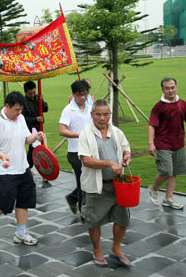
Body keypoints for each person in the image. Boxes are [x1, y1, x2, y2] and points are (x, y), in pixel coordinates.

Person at [0, 91, 44, 245]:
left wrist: (35, 137)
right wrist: (2, 156)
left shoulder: (21, 118)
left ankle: (21, 233)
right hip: (6, 170)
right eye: (16, 110)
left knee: (25, 200)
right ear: (7, 106)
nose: (19, 113)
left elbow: (26, 139)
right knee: (6, 201)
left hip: (23, 167)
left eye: (21, 110)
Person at [78, 100, 132, 268]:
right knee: (94, 220)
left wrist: (126, 156)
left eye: (106, 114)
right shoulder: (85, 134)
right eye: (98, 114)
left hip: (118, 185)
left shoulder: (116, 131)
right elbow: (86, 160)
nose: (102, 118)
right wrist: (109, 163)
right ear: (92, 114)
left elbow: (126, 147)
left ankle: (116, 249)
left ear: (110, 115)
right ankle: (97, 250)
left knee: (123, 218)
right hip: (96, 185)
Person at [148, 78, 186, 210]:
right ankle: (153, 189)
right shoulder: (158, 107)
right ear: (163, 90)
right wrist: (151, 143)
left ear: (176, 87)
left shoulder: (183, 104)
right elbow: (152, 125)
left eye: (172, 87)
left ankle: (168, 199)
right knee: (166, 170)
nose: (170, 90)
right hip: (163, 143)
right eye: (167, 88)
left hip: (178, 143)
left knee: (174, 172)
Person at [59, 80, 92, 215]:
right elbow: (62, 130)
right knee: (83, 183)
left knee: (89, 181)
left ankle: (73, 198)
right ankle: (83, 211)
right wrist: (79, 135)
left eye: (85, 94)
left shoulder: (90, 105)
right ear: (73, 94)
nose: (83, 98)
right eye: (80, 95)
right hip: (75, 152)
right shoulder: (68, 110)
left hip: (90, 150)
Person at [22, 81, 49, 174]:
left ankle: (32, 167)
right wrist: (35, 119)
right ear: (25, 92)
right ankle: (28, 167)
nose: (33, 95)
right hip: (30, 128)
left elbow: (45, 109)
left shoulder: (37, 98)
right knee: (33, 148)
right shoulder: (23, 102)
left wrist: (42, 101)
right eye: (30, 93)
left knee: (40, 146)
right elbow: (23, 118)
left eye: (34, 92)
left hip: (39, 127)